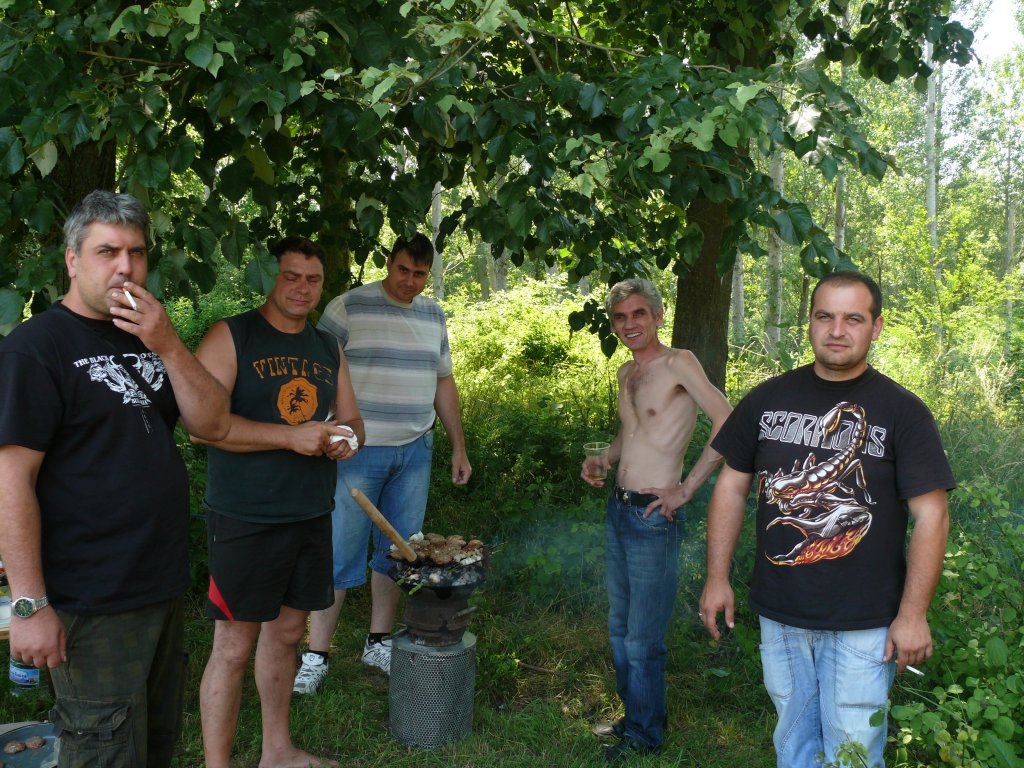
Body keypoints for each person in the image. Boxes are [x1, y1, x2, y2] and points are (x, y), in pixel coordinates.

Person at [0, 190, 230, 766]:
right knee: (102, 748)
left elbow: (212, 424)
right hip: (91, 596)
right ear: (73, 260)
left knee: (153, 743)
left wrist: (168, 342)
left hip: (159, 584)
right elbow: (10, 479)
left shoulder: (146, 336)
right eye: (107, 251)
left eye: (137, 252)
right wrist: (29, 604)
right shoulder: (36, 347)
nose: (126, 267)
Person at [700, 270, 954, 768]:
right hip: (780, 613)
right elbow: (730, 486)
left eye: (853, 319)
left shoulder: (903, 412)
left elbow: (932, 516)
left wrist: (913, 614)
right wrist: (716, 577)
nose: (837, 330)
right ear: (810, 322)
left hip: (864, 622)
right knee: (793, 742)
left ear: (876, 327)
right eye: (825, 316)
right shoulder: (767, 399)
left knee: (853, 753)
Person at [192, 236, 364, 768]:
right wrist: (289, 437)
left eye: (313, 279)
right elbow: (201, 428)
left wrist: (345, 441)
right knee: (233, 645)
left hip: (310, 512)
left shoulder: (327, 347)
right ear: (271, 276)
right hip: (245, 515)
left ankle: (277, 751)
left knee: (288, 633)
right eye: (291, 276)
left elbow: (353, 421)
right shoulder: (232, 335)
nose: (302, 288)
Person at [293, 232, 471, 692]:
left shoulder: (433, 314)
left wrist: (458, 446)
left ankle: (378, 641)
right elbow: (316, 372)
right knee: (339, 550)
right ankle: (316, 654)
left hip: (415, 452)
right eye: (403, 270)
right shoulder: (348, 307)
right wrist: (325, 432)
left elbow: (444, 382)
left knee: (399, 551)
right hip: (356, 452)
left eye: (420, 274)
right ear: (389, 263)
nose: (410, 281)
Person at [580, 278, 732, 762]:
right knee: (619, 627)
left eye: (638, 314)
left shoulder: (678, 362)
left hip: (653, 517)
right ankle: (638, 717)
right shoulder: (626, 371)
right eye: (620, 317)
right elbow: (633, 433)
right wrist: (603, 458)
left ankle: (644, 739)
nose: (629, 324)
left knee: (642, 637)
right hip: (619, 509)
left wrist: (686, 488)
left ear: (658, 316)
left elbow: (728, 419)